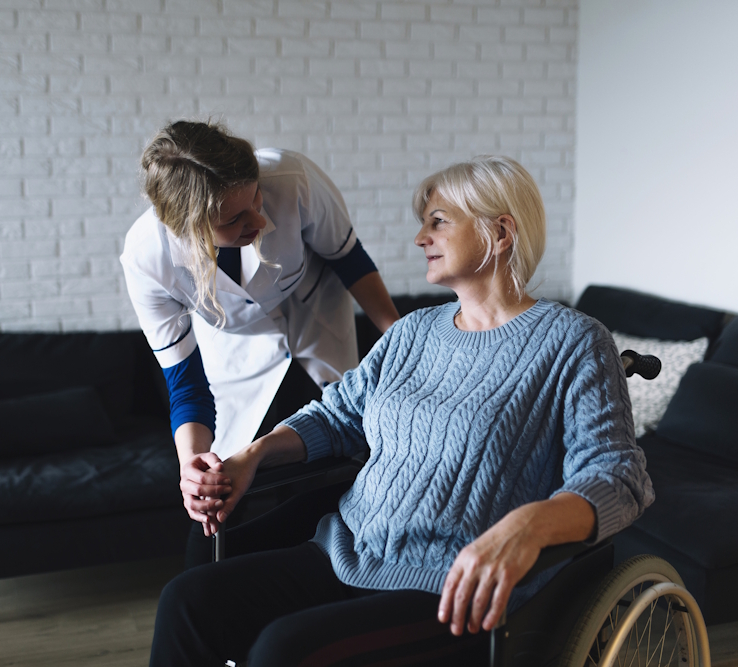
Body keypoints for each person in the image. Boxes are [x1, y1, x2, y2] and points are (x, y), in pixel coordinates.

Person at [149, 156, 655, 666]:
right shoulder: (413, 332)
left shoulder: (575, 342)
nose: (419, 238)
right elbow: (338, 416)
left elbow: (619, 474)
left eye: (438, 221)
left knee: (282, 651)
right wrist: (253, 455)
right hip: (346, 550)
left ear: (500, 233)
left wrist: (529, 525)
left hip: (449, 587)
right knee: (188, 602)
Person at [121, 120, 400, 565]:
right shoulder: (148, 260)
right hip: (237, 355)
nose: (261, 220)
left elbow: (350, 260)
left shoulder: (292, 179)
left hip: (317, 323)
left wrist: (403, 342)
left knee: (336, 466)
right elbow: (186, 384)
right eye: (235, 219)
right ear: (190, 230)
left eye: (256, 198)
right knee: (222, 496)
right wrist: (190, 464)